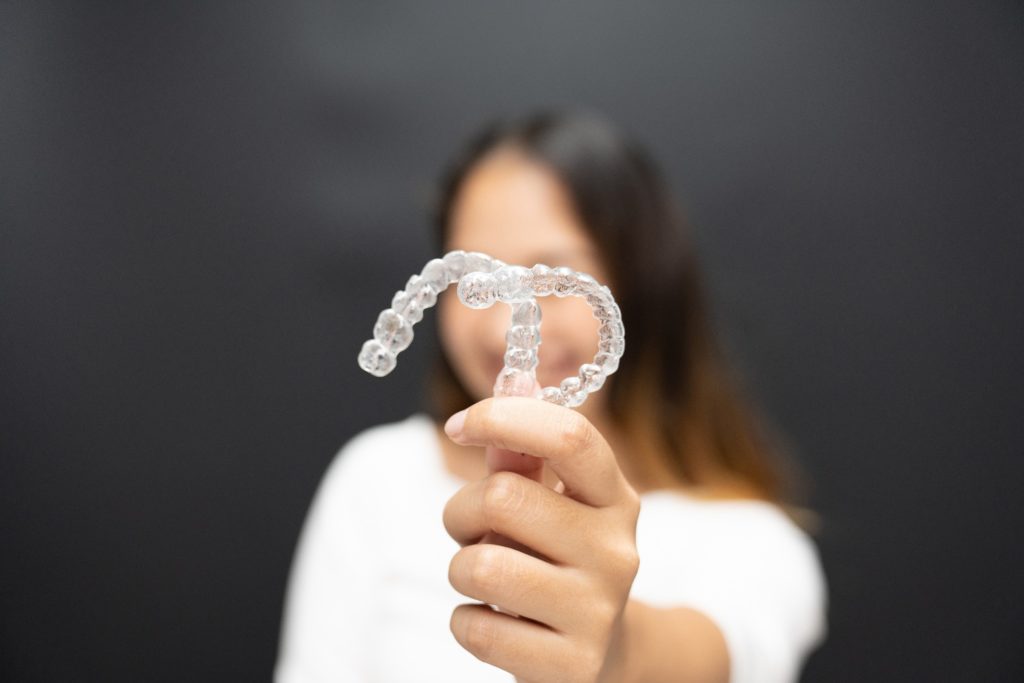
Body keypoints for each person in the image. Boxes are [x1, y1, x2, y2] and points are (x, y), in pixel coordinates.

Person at [275, 111, 827, 683]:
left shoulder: (752, 545)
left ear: (642, 284)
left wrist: (614, 650)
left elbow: (716, 654)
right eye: (473, 286)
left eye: (555, 277)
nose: (498, 332)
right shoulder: (375, 478)